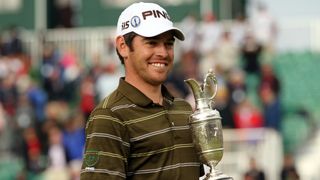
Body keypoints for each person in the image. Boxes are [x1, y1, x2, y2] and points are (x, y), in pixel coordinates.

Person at [80, 2, 202, 179]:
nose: (163, 52)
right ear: (123, 46)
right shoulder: (109, 116)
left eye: (168, 44)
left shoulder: (183, 109)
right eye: (151, 43)